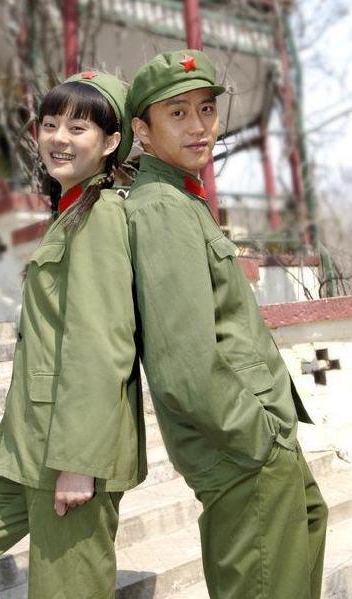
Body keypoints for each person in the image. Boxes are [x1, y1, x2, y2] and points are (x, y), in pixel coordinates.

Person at [125, 49, 328, 599]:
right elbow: (184, 364)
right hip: (240, 446)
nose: (199, 126)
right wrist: (259, 437)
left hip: (256, 435)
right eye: (177, 113)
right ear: (142, 131)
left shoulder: (183, 198)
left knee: (304, 538)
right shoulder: (161, 208)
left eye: (207, 109)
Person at [0, 71, 146, 599]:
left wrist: (79, 462)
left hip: (72, 451)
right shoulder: (70, 213)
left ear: (111, 142)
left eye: (78, 127)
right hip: (26, 445)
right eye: (51, 124)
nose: (58, 138)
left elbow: (100, 346)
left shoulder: (101, 217)